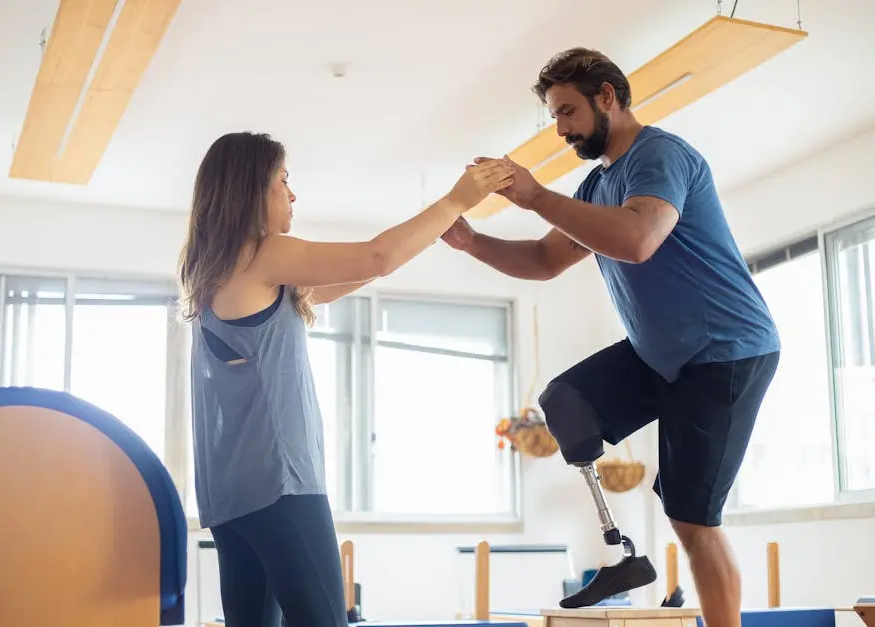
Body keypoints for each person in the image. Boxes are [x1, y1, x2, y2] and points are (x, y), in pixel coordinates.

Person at [441, 48, 780, 627]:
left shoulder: (660, 156)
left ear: (607, 97)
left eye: (567, 111)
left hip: (725, 349)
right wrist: (473, 243)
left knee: (694, 518)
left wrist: (537, 195)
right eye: (554, 116)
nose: (562, 129)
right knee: (566, 400)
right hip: (663, 351)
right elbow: (547, 259)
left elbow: (639, 239)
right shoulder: (597, 185)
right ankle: (621, 551)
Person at [176, 131, 513, 627]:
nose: (292, 194)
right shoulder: (266, 254)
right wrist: (456, 200)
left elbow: (361, 272)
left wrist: (427, 232)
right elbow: (376, 256)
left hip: (230, 499)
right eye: (283, 180)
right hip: (282, 486)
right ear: (251, 189)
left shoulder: (214, 270)